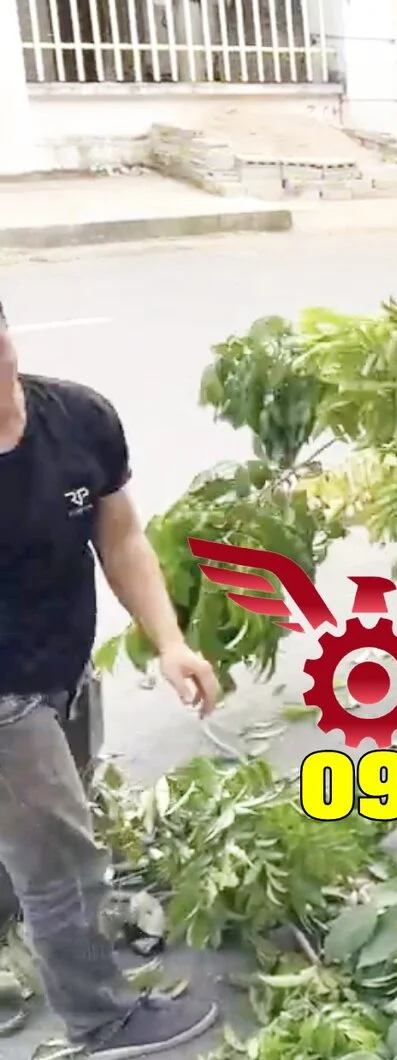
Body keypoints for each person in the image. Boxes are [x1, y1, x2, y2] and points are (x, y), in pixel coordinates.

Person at [0, 300, 222, 1058]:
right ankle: (102, 1018)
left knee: (41, 827)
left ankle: (26, 929)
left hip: (63, 664)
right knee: (61, 862)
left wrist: (170, 643)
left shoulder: (77, 418)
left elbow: (120, 537)